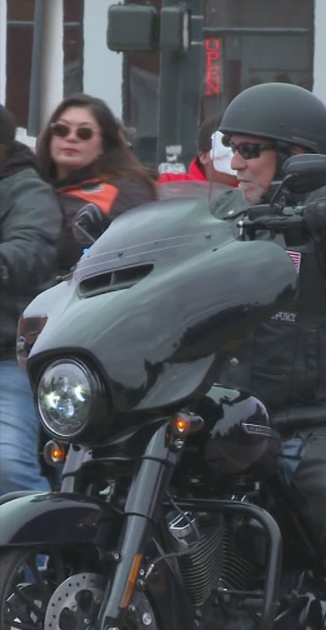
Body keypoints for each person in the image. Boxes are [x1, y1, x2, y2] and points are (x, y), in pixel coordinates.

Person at [208, 82, 326, 630]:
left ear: (293, 158)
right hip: (223, 415)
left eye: (250, 151)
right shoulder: (221, 219)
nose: (237, 164)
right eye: (231, 149)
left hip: (309, 424)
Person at [0, 104, 62, 497]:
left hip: (6, 356)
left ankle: (43, 555)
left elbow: (30, 246)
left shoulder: (27, 190)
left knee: (7, 464)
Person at [34, 94, 158, 275]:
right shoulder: (30, 185)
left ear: (103, 145)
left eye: (84, 133)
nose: (71, 138)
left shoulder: (125, 193)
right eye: (61, 129)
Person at [157, 113, 239, 187]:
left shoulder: (249, 191)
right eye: (227, 142)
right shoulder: (171, 186)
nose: (237, 156)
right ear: (203, 156)